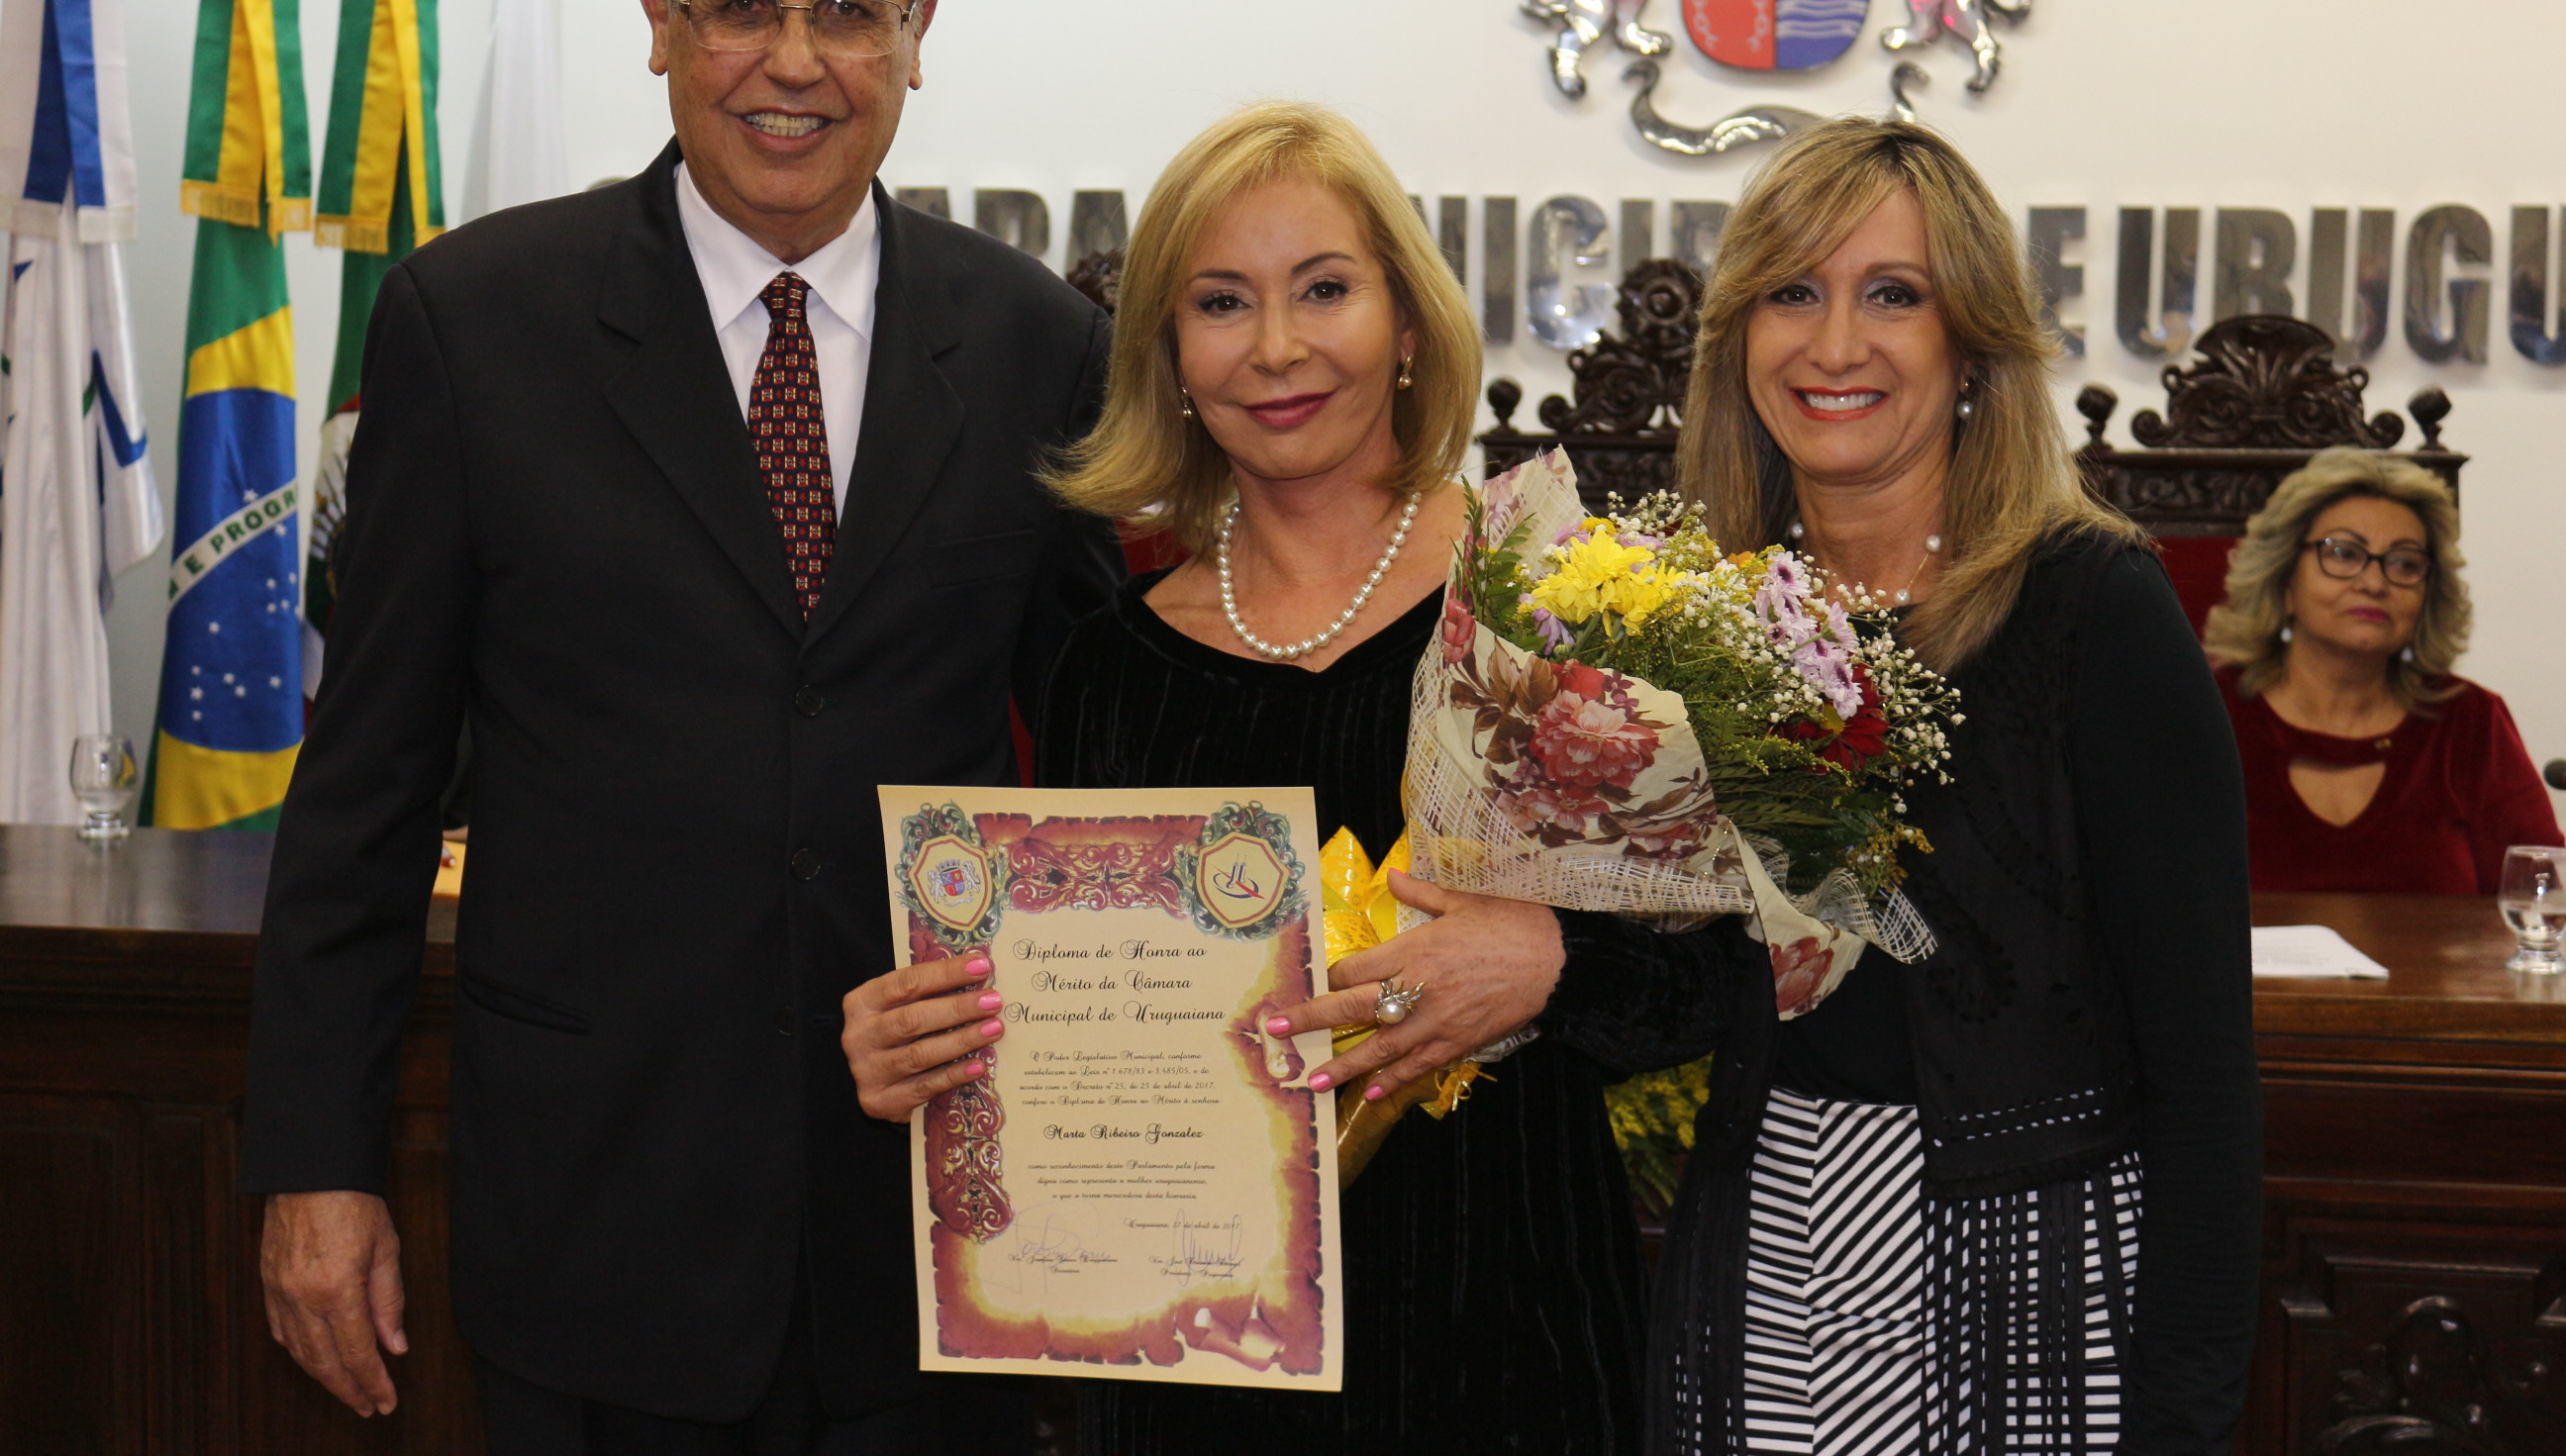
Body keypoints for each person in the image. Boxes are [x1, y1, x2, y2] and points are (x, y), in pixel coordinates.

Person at [242, 0, 1120, 1453]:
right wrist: (316, 1166)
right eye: (741, 7)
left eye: (847, 11)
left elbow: (1099, 764)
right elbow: (363, 790)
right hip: (597, 1220)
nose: (794, 61)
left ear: (917, 36)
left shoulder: (1035, 343)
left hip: (940, 1235)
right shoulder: (474, 323)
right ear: (660, 20)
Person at [840, 101, 1650, 1453]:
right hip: (1192, 1373)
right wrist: (930, 1052)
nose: (1276, 347)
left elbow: (1716, 968)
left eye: (1324, 289)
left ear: (1407, 321)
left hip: (1504, 1334)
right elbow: (1068, 1017)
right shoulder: (1111, 665)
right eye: (1221, 303)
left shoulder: (1548, 594)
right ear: (1168, 356)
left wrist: (1554, 959)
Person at [1533, 118, 2263, 1453]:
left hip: (2031, 1270)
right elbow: (1688, 998)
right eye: (1791, 292)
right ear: (1739, 337)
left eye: (1892, 295)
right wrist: (1528, 946)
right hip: (1767, 1243)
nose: (1834, 344)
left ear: (1971, 344)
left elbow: (2207, 1084)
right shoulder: (1703, 620)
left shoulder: (2094, 611)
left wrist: (2183, 1424)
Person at [2204, 447, 2562, 894]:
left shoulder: (2470, 721)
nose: (2374, 583)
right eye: (2343, 554)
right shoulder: (2206, 712)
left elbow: (2540, 896)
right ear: (2285, 580)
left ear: (2427, 596)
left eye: (2405, 564)